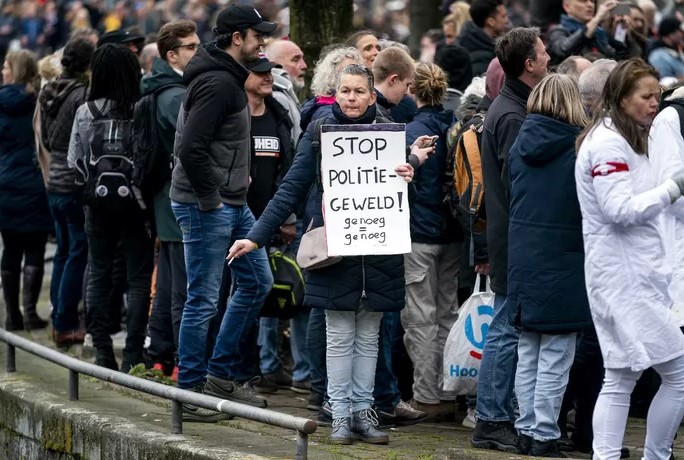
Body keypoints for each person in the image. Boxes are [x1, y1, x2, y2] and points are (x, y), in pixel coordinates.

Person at [228, 63, 433, 445]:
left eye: (359, 92)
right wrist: (255, 237)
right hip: (336, 252)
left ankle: (363, 412)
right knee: (339, 335)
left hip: (378, 250)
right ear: (335, 94)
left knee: (369, 337)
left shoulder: (389, 135)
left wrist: (409, 176)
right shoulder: (320, 134)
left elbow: (403, 200)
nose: (351, 98)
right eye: (345, 91)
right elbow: (290, 188)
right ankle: (339, 412)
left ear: (372, 96)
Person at [169, 4, 276, 417]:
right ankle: (190, 392)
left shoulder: (228, 76)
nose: (262, 42)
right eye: (257, 35)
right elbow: (190, 148)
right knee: (203, 299)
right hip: (207, 205)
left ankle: (219, 376)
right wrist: (212, 199)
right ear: (237, 38)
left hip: (230, 202)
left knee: (257, 282)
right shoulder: (218, 82)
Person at [575, 57, 684, 460]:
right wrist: (673, 189)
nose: (655, 103)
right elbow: (618, 210)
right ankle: (655, 455)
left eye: (658, 95)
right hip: (624, 280)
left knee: (621, 376)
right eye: (647, 96)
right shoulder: (607, 143)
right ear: (622, 98)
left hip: (628, 276)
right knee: (676, 373)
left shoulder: (624, 137)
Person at [472, 27, 550, 451]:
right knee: (504, 329)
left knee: (507, 327)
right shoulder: (513, 116)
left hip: (509, 236)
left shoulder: (511, 107)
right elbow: (519, 182)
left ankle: (498, 414)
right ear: (529, 64)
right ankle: (491, 418)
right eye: (543, 53)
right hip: (512, 238)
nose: (549, 57)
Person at [507, 73, 591, 456]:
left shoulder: (519, 143)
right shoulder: (579, 150)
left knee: (528, 350)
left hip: (524, 257)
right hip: (566, 259)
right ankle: (543, 433)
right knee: (557, 353)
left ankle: (525, 428)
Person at [67, 44, 154, 373]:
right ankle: (133, 353)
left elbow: (74, 161)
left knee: (99, 272)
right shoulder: (142, 107)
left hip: (98, 204)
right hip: (137, 204)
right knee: (138, 278)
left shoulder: (86, 111)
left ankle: (102, 350)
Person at [403, 62, 462, 422]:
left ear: (412, 89)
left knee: (421, 317)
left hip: (419, 235)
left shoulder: (412, 131)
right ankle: (449, 391)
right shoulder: (456, 127)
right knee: (448, 313)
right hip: (453, 233)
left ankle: (426, 396)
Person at [142, 19, 199, 380]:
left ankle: (160, 355)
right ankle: (183, 363)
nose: (198, 51)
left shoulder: (166, 88)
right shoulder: (174, 95)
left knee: (167, 284)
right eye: (191, 47)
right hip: (178, 200)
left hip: (166, 199)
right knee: (184, 288)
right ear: (172, 55)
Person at [39, 37, 95, 346]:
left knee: (63, 249)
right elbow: (83, 141)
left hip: (53, 181)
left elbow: (46, 139)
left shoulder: (48, 91)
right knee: (77, 250)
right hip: (73, 180)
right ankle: (65, 322)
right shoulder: (81, 95)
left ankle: (57, 315)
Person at [0, 50, 52, 331]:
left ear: (16, 70)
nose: (2, 71)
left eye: (6, 67)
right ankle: (31, 312)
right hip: (35, 181)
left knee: (10, 250)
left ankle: (12, 315)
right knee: (35, 249)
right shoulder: (41, 100)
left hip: (7, 182)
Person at [547, 0, 618, 65]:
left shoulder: (598, 30)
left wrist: (619, 27)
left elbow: (617, 54)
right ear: (567, 6)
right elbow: (562, 50)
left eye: (592, 1)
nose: (590, 5)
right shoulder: (558, 30)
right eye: (583, 1)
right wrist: (596, 19)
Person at [265, 38, 307, 142]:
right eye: (295, 60)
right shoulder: (277, 98)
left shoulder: (284, 95)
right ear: (274, 66)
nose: (304, 66)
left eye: (302, 58)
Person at [457, 0, 509, 76]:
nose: (507, 21)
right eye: (503, 16)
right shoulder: (482, 59)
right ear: (491, 21)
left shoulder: (480, 45)